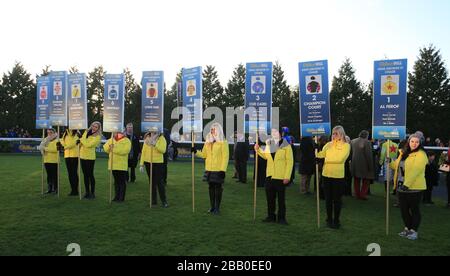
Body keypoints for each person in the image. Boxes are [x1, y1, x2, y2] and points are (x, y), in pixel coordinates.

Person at [390, 133, 427, 240]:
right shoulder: (403, 153)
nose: (414, 144)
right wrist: (389, 162)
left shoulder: (421, 154)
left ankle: (414, 231)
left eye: (417, 142)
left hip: (415, 188)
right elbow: (397, 165)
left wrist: (407, 184)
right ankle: (407, 229)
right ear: (409, 142)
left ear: (420, 143)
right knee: (404, 210)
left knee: (414, 210)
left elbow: (416, 170)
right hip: (401, 186)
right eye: (412, 141)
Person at [255, 128, 294, 225]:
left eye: (276, 132)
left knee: (281, 199)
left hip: (281, 176)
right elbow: (265, 156)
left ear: (281, 133)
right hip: (270, 175)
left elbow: (290, 162)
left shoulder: (286, 146)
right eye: (272, 132)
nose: (274, 133)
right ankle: (271, 216)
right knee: (270, 198)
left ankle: (281, 218)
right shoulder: (269, 144)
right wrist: (258, 149)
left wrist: (287, 176)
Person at [316, 126, 351, 229]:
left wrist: (326, 158)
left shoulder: (346, 146)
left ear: (341, 134)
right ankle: (329, 219)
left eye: (336, 133)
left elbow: (340, 159)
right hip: (326, 175)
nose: (334, 135)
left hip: (338, 176)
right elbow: (321, 154)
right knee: (328, 199)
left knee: (337, 200)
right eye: (333, 133)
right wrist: (316, 150)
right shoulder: (328, 144)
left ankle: (336, 220)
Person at [192, 123, 229, 215]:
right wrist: (196, 151)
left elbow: (225, 157)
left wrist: (223, 169)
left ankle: (217, 208)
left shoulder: (223, 142)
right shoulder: (208, 141)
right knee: (211, 187)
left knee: (218, 188)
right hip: (209, 168)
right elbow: (204, 154)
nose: (212, 131)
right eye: (211, 129)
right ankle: (212, 207)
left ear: (218, 130)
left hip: (218, 169)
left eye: (214, 129)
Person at [139, 130, 168, 208]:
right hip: (148, 162)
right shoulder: (147, 138)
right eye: (151, 131)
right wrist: (141, 164)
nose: (153, 132)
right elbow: (143, 151)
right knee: (151, 182)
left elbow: (163, 150)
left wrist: (155, 144)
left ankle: (164, 201)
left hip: (158, 162)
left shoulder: (161, 138)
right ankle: (153, 201)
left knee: (159, 182)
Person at [103, 132, 131, 202]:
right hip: (113, 164)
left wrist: (113, 149)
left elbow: (125, 151)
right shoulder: (111, 140)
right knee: (116, 181)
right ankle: (116, 196)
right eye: (115, 132)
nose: (117, 133)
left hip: (121, 165)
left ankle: (121, 198)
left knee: (121, 182)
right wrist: (109, 146)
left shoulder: (127, 140)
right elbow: (105, 149)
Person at [79, 122, 102, 199]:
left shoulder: (98, 136)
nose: (94, 128)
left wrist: (82, 140)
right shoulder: (86, 131)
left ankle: (92, 193)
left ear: (98, 128)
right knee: (85, 175)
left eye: (96, 127)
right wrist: (82, 140)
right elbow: (81, 140)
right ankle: (87, 192)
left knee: (90, 175)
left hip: (90, 157)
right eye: (93, 126)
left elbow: (88, 145)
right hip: (82, 156)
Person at [350, 130, 375, 200]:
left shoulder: (353, 141)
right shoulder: (367, 142)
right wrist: (371, 166)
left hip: (354, 163)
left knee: (356, 180)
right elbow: (369, 155)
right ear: (366, 135)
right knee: (366, 180)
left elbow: (350, 153)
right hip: (365, 164)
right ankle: (362, 195)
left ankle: (357, 194)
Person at [60, 129, 81, 196]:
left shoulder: (77, 132)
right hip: (67, 155)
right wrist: (64, 146)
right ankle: (72, 190)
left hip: (75, 155)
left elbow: (74, 143)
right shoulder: (65, 132)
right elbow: (62, 140)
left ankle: (76, 190)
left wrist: (65, 147)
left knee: (74, 173)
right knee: (70, 173)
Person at [38, 129, 58, 194]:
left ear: (54, 133)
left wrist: (45, 148)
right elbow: (41, 147)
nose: (49, 134)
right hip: (46, 160)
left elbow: (55, 149)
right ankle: (49, 189)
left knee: (54, 175)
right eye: (48, 132)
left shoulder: (57, 140)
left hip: (54, 160)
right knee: (49, 175)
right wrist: (42, 149)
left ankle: (55, 189)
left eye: (51, 132)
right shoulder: (45, 140)